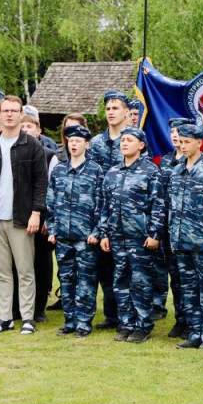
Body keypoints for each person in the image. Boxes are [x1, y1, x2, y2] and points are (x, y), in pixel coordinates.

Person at [0, 95, 47, 337]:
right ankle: (5, 318)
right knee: (1, 271)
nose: (10, 114)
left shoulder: (32, 145)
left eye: (15, 110)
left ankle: (27, 317)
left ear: (21, 114)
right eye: (6, 111)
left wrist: (36, 213)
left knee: (25, 270)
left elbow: (41, 183)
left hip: (21, 219)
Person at [99, 127, 162, 343]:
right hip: (117, 236)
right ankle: (126, 323)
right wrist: (104, 232)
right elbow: (105, 206)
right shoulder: (113, 172)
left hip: (140, 236)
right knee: (120, 280)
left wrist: (154, 233)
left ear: (141, 145)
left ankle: (143, 324)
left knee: (141, 281)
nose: (124, 143)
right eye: (123, 140)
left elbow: (158, 205)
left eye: (130, 140)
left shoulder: (150, 171)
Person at [162, 123, 203, 349]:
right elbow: (171, 206)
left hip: (202, 241)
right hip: (180, 240)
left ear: (199, 142)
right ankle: (194, 332)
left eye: (188, 142)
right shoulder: (176, 170)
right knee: (188, 289)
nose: (184, 146)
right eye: (182, 142)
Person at [46, 124, 104, 338]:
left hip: (85, 237)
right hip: (63, 236)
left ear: (86, 144)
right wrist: (52, 229)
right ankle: (69, 320)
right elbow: (50, 201)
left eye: (78, 141)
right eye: (71, 141)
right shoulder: (59, 169)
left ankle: (83, 322)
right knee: (67, 280)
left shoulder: (95, 170)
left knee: (86, 281)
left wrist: (97, 232)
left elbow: (101, 204)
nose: (74, 144)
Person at [87, 89, 132, 331]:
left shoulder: (134, 138)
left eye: (116, 108)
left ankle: (131, 317)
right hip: (102, 213)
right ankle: (112, 315)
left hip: (128, 215)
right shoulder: (95, 143)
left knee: (128, 270)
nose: (111, 112)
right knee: (105, 269)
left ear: (127, 111)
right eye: (108, 108)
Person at [20, 110, 57, 324]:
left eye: (29, 127)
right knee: (21, 264)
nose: (26, 130)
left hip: (41, 217)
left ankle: (39, 307)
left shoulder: (49, 155)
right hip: (18, 216)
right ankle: (21, 307)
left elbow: (52, 189)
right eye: (22, 127)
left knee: (41, 263)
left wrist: (47, 218)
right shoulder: (12, 152)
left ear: (38, 130)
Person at [157, 117, 189, 339]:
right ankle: (181, 319)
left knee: (191, 278)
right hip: (170, 228)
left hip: (189, 228)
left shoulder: (193, 161)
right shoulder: (166, 160)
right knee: (175, 277)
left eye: (179, 132)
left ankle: (193, 321)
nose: (175, 136)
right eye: (172, 132)